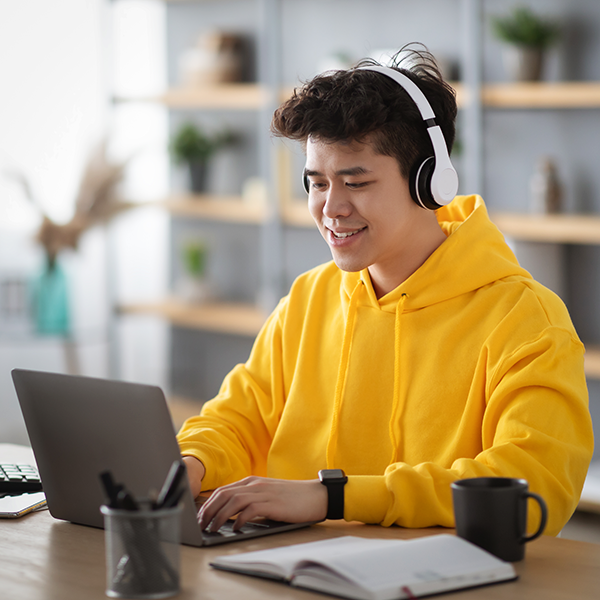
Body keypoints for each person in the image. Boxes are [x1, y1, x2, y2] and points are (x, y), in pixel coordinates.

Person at [177, 45, 594, 537]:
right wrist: (192, 463)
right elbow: (238, 418)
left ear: (429, 183)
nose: (330, 208)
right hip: (291, 571)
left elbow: (531, 487)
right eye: (316, 183)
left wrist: (332, 497)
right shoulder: (309, 300)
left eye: (355, 182)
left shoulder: (527, 320)